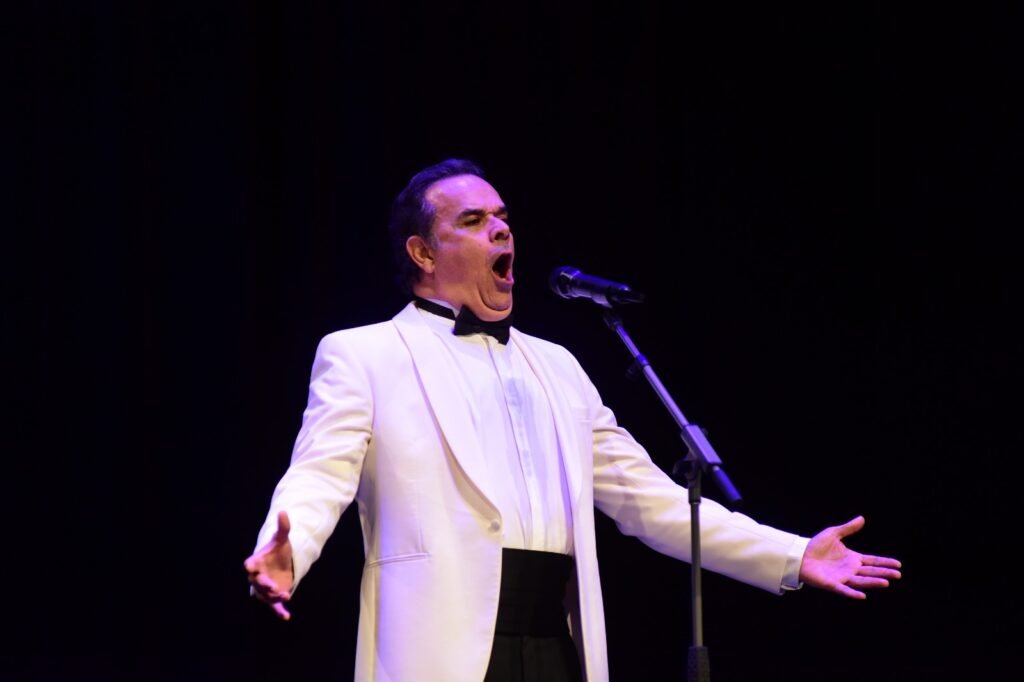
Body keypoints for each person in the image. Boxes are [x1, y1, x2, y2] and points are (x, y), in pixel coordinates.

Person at [244, 158, 902, 682]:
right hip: (440, 649)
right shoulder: (363, 354)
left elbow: (654, 505)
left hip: (558, 645)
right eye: (473, 220)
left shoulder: (558, 367)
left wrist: (791, 554)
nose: (501, 229)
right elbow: (319, 475)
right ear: (422, 251)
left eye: (503, 217)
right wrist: (289, 551)